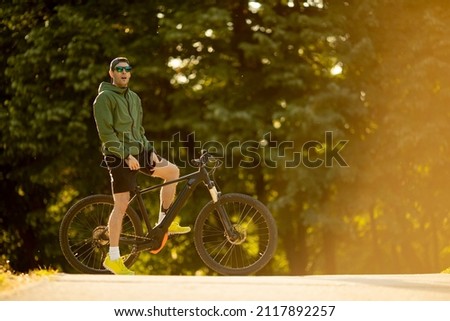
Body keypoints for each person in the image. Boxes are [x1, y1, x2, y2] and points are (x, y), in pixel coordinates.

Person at [93, 57, 191, 275]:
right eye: (119, 69)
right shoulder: (104, 99)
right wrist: (126, 155)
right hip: (118, 156)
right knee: (122, 205)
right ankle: (113, 257)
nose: (124, 72)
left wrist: (151, 151)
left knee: (172, 171)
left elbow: (139, 130)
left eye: (127, 69)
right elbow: (106, 134)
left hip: (141, 151)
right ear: (111, 73)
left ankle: (165, 221)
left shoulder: (134, 98)